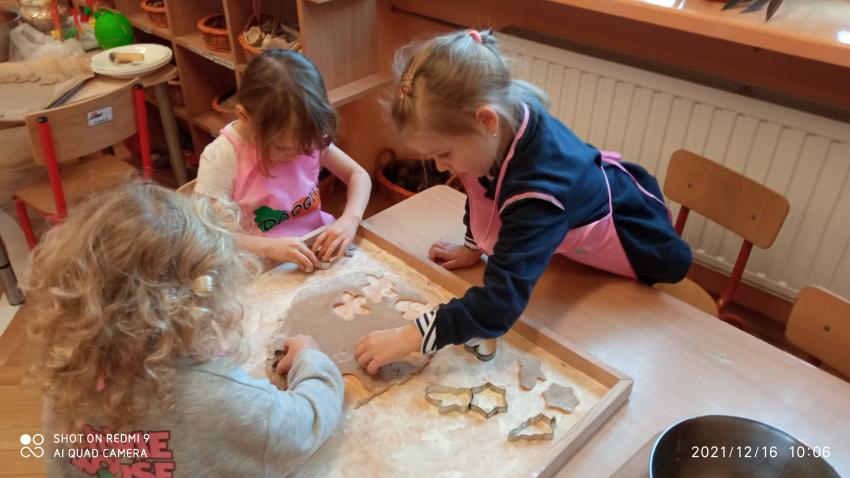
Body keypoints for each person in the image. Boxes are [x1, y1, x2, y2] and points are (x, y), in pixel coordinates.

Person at [355, 29, 691, 373]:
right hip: (571, 232)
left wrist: (410, 336)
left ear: (486, 121)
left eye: (443, 154)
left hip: (635, 244)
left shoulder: (539, 196)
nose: (441, 167)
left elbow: (498, 307)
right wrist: (472, 246)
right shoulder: (498, 126)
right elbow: (480, 186)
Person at [26, 182, 344, 476]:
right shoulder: (216, 398)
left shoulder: (67, 381)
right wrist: (312, 362)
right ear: (202, 298)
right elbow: (305, 426)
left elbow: (60, 466)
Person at [196, 49, 372, 271]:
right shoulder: (222, 157)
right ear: (244, 117)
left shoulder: (305, 134)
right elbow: (206, 233)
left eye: (305, 148)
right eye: (282, 148)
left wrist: (350, 220)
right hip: (259, 264)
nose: (296, 156)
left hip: (314, 243)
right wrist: (268, 248)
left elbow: (358, 175)